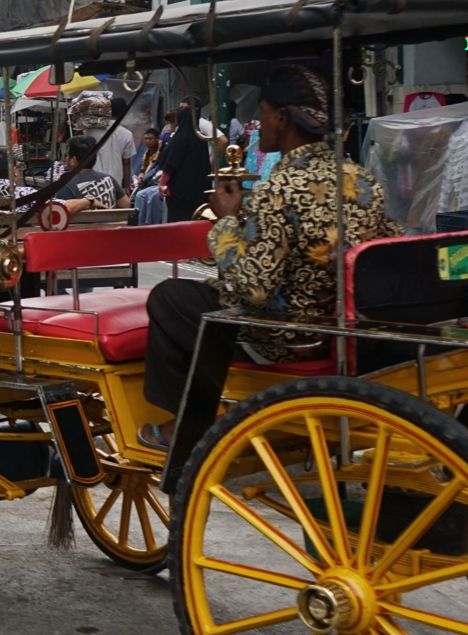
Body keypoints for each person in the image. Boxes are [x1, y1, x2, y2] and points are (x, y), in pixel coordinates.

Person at [141, 66, 401, 435]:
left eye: (262, 113)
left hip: (287, 337)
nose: (258, 123)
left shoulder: (277, 189)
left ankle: (187, 424)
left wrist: (227, 221)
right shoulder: (361, 180)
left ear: (281, 118)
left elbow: (255, 289)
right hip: (343, 326)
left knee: (170, 297)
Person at [157, 98, 214, 224]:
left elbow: (170, 164)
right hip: (199, 192)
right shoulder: (200, 138)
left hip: (180, 193)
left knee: (182, 224)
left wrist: (162, 184)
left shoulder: (180, 138)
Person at [51, 135, 125, 213]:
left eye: (67, 155)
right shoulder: (109, 178)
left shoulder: (65, 184)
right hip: (111, 224)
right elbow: (125, 204)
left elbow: (59, 212)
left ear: (73, 160)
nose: (66, 159)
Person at [95, 119, 136, 195]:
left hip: (94, 181)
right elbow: (126, 162)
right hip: (116, 181)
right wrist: (127, 186)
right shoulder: (126, 134)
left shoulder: (91, 132)